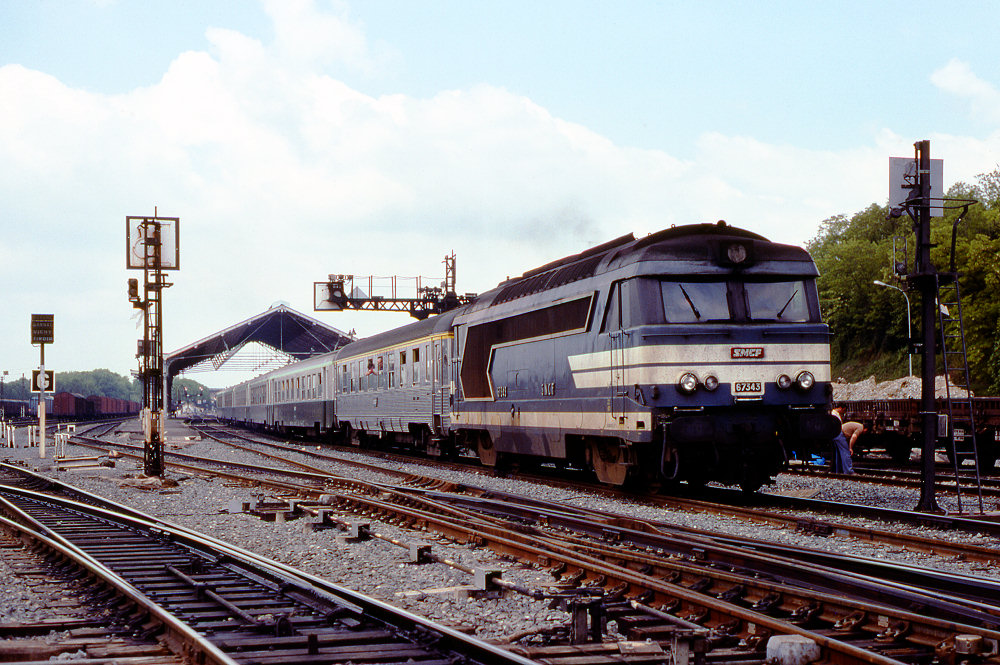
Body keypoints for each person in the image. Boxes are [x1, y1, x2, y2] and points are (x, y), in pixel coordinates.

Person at [831, 406, 862, 474]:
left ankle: (838, 471)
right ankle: (849, 471)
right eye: (844, 410)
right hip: (839, 433)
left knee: (839, 454)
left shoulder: (836, 414)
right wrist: (850, 448)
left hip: (836, 433)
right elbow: (853, 437)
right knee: (846, 452)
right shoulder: (861, 427)